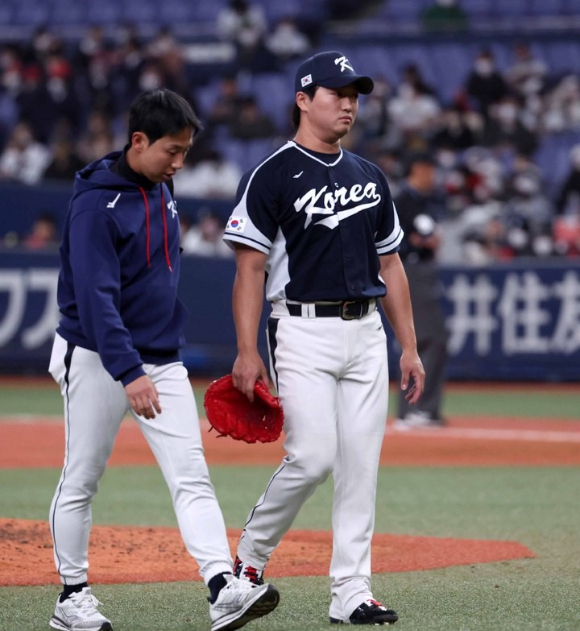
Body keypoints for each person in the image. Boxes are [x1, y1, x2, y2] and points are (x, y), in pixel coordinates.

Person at [47, 89, 279, 631]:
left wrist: (150, 363)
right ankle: (71, 597)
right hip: (96, 356)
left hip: (161, 356)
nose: (179, 163)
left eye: (185, 152)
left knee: (191, 474)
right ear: (138, 141)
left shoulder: (160, 183)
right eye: (171, 151)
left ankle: (222, 587)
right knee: (82, 476)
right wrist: (129, 371)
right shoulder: (93, 208)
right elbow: (97, 301)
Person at [223, 51, 425, 625]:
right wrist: (246, 350)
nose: (348, 103)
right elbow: (249, 270)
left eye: (354, 94)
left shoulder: (369, 175)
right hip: (300, 329)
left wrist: (407, 345)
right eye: (336, 93)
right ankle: (251, 557)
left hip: (365, 331)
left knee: (361, 464)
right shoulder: (272, 174)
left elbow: (391, 266)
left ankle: (351, 591)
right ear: (303, 99)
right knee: (312, 457)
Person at [392, 154, 449, 429]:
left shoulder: (422, 201)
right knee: (429, 338)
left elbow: (429, 238)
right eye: (429, 169)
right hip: (409, 272)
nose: (432, 176)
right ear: (417, 169)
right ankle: (415, 409)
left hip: (421, 272)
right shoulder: (403, 201)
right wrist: (415, 243)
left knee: (427, 339)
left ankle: (416, 408)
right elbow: (392, 242)